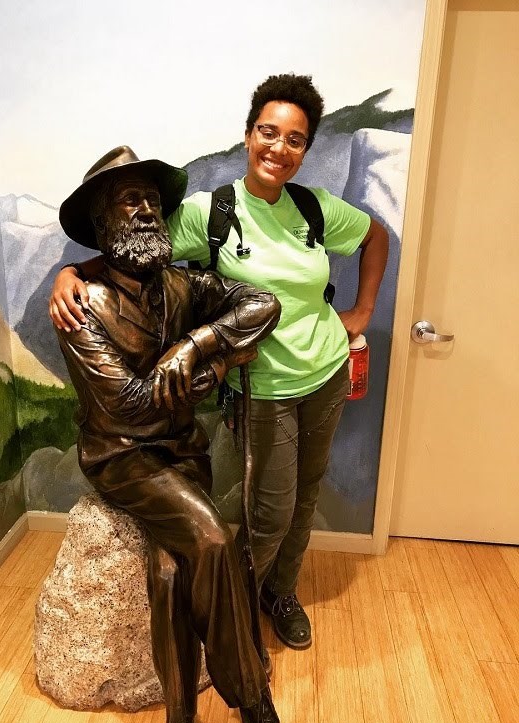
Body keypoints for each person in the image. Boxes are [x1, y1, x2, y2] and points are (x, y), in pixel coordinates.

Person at [50, 73, 389, 653]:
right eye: (268, 132)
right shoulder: (211, 213)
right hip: (264, 386)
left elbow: (374, 236)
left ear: (305, 149)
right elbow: (132, 249)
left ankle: (280, 594)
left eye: (295, 139)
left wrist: (360, 310)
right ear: (249, 133)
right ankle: (239, 618)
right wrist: (70, 274)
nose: (278, 149)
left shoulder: (313, 207)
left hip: (328, 372)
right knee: (270, 511)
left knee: (306, 495)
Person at [54, 145, 291, 723]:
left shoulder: (181, 285)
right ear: (102, 221)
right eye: (130, 200)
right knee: (214, 539)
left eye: (153, 200)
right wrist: (216, 370)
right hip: (125, 460)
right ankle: (256, 710)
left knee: (168, 572)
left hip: (183, 452)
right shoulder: (85, 305)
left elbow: (264, 304)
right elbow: (129, 405)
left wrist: (196, 345)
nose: (146, 210)